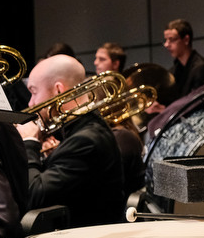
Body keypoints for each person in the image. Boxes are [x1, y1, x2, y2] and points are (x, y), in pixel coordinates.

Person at [17, 54, 125, 228]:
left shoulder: (86, 140)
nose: (31, 103)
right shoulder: (87, 128)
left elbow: (32, 197)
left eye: (34, 92)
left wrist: (29, 142)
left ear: (58, 90)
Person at [163, 19, 204, 98]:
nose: (166, 45)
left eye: (171, 39)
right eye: (165, 40)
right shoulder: (173, 71)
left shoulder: (202, 68)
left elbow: (201, 103)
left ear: (186, 40)